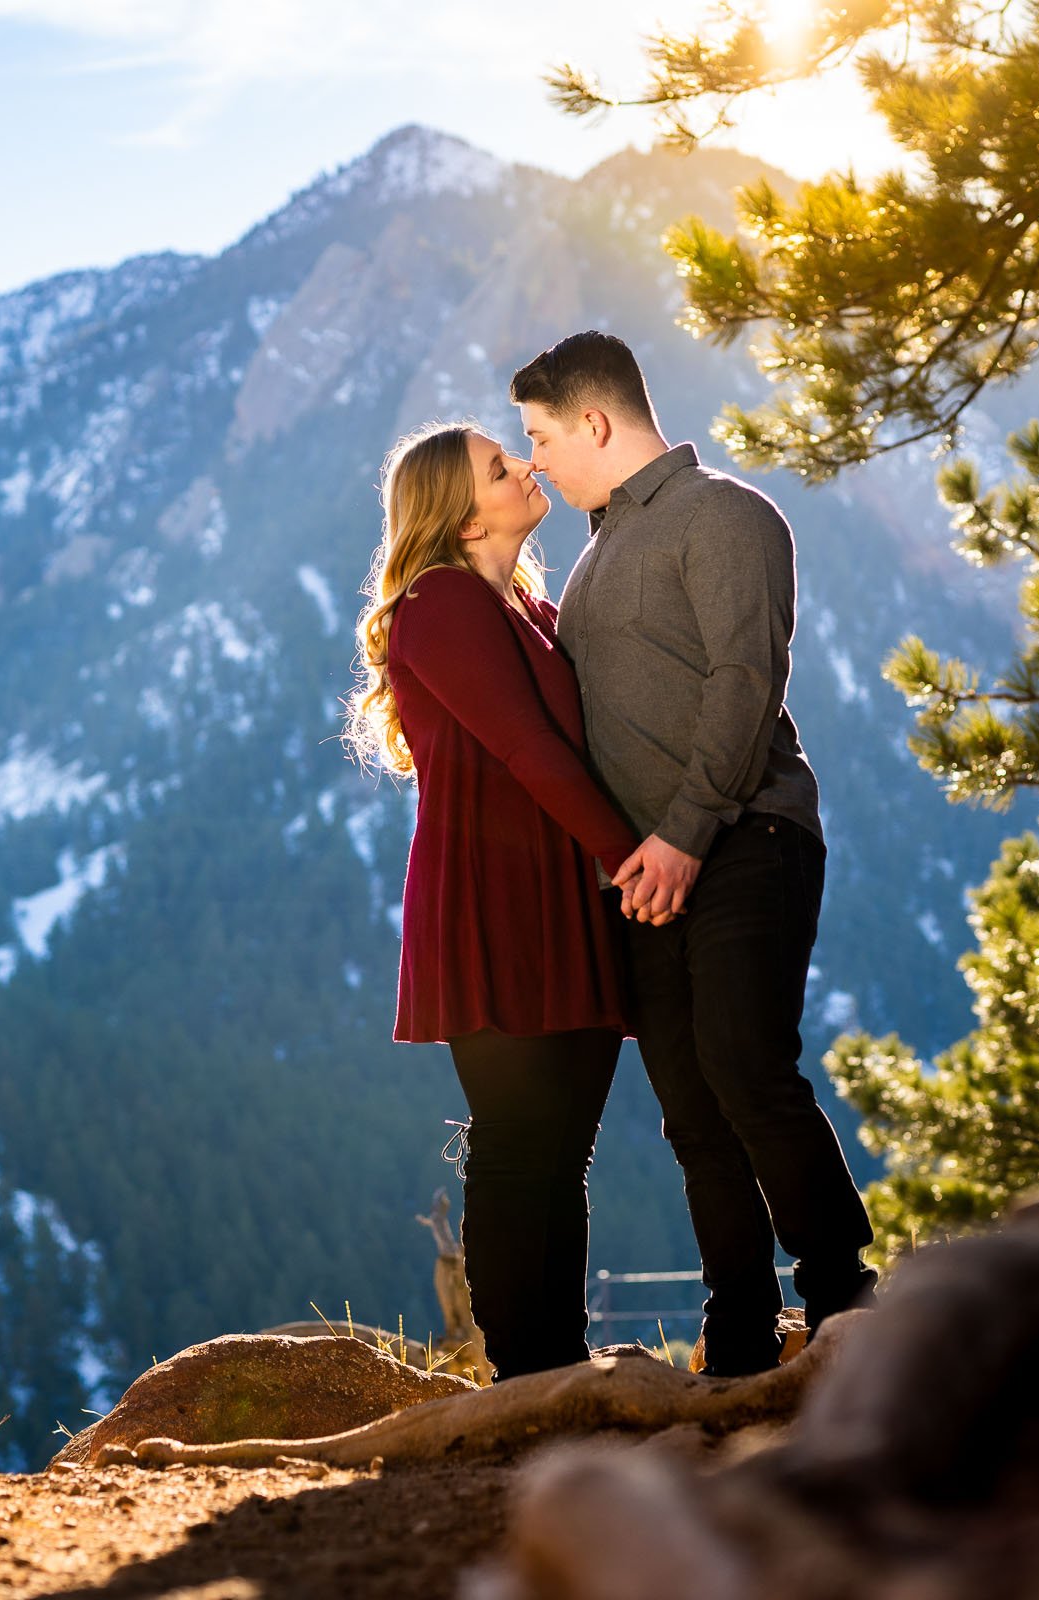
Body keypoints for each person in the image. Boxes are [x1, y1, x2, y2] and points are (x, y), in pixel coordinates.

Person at [512, 329, 879, 1376]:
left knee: (745, 1065)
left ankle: (845, 1295)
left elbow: (744, 678)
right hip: (647, 874)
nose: (534, 457)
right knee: (689, 1108)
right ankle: (739, 1338)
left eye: (540, 436)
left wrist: (682, 830)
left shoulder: (725, 514)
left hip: (748, 834)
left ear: (594, 420)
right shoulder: (593, 555)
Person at [344, 420, 643, 1381]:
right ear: (463, 516)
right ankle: (527, 1371)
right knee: (520, 1145)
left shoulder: (526, 606)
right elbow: (526, 748)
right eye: (499, 466)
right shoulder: (438, 604)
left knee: (561, 1151)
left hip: (564, 889)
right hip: (494, 896)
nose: (526, 467)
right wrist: (631, 860)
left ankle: (557, 1360)